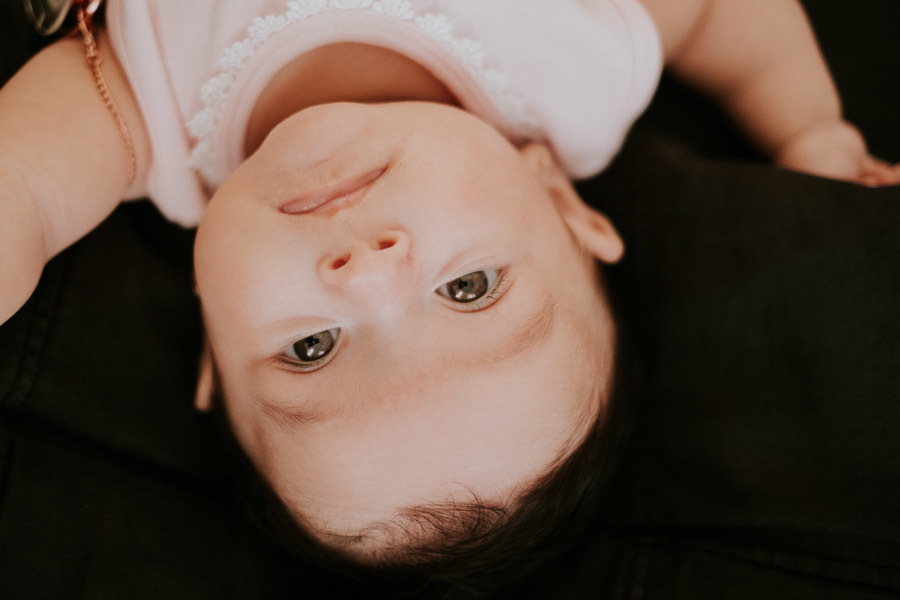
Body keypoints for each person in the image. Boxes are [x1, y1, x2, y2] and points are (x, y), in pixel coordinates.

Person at [0, 0, 898, 593]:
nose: (370, 273)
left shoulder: (138, 118)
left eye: (311, 349)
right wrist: (806, 122)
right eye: (469, 288)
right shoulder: (577, 67)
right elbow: (711, 16)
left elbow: (21, 193)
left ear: (209, 330)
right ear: (559, 202)